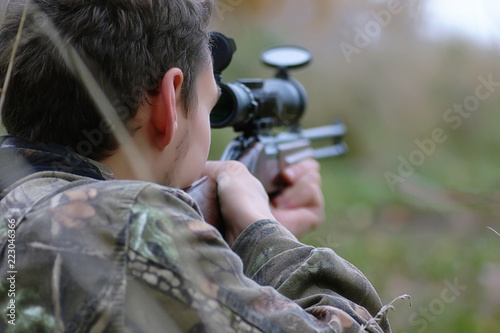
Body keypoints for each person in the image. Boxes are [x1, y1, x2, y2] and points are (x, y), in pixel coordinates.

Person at [0, 0, 390, 332]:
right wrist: (266, 238)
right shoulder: (135, 227)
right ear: (169, 101)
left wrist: (230, 253)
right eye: (209, 102)